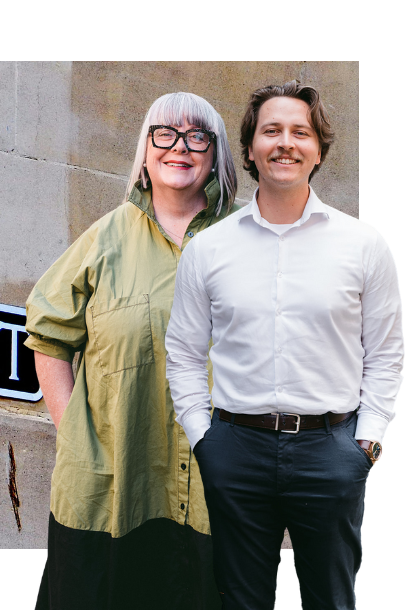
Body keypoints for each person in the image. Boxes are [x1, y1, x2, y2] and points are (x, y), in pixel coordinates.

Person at [165, 81, 403, 610]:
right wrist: (205, 441)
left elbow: (385, 353)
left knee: (331, 601)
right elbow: (182, 352)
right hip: (235, 449)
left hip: (331, 450)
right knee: (241, 602)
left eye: (301, 132)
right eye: (271, 130)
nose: (285, 143)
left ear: (318, 150)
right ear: (250, 147)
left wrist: (366, 444)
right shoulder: (208, 249)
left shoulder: (362, 246)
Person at [25, 92, 238, 609]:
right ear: (145, 151)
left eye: (196, 136)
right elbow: (47, 333)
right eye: (163, 133)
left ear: (216, 154)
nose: (179, 147)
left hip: (216, 499)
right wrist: (74, 430)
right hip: (110, 491)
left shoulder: (248, 239)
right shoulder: (106, 238)